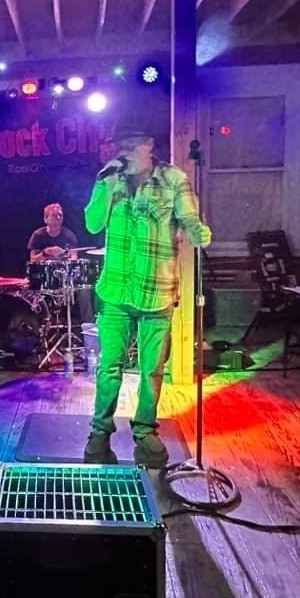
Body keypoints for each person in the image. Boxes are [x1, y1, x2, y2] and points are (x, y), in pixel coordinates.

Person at [83, 123, 212, 468]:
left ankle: (144, 430)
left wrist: (198, 231)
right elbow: (93, 224)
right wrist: (106, 186)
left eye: (131, 144)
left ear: (149, 145)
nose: (123, 151)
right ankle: (100, 431)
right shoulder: (108, 177)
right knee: (109, 366)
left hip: (158, 291)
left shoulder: (173, 179)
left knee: (152, 368)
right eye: (120, 144)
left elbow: (189, 219)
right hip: (115, 291)